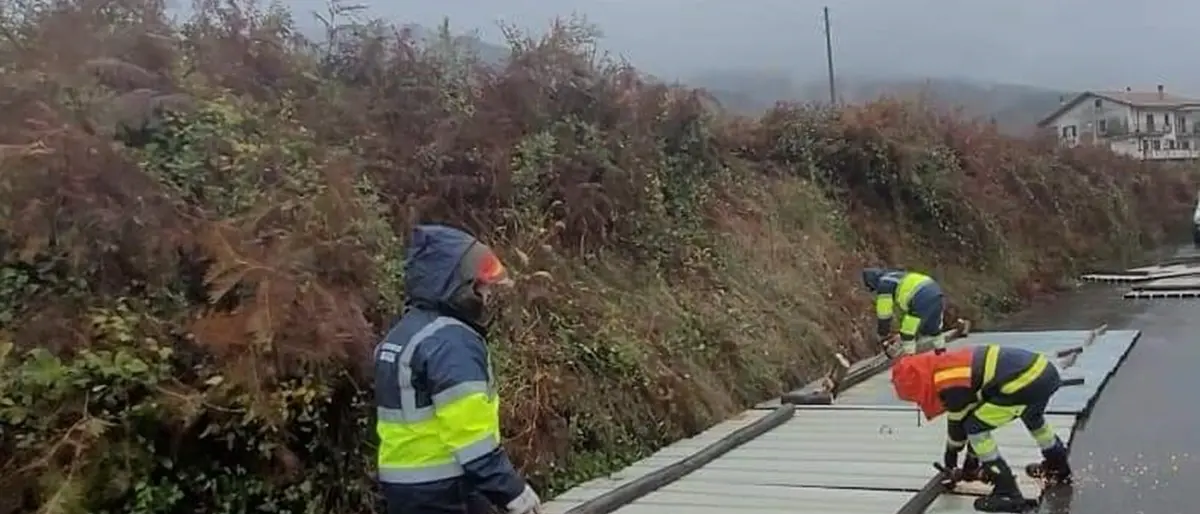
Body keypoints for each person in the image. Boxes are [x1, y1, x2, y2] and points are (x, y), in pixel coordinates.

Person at [373, 224, 543, 514]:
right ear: (459, 286)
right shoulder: (452, 343)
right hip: (445, 489)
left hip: (405, 489)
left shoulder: (404, 333)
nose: (487, 297)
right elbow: (471, 438)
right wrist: (513, 492)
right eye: (481, 288)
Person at [890, 344, 1073, 513]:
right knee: (1034, 420)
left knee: (976, 429)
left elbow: (960, 424)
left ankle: (1007, 491)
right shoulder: (946, 368)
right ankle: (1058, 466)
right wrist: (969, 461)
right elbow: (962, 416)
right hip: (1041, 372)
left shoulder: (948, 384)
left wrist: (951, 459)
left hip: (1022, 382)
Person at [861, 267, 946, 356]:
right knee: (934, 328)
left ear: (872, 283)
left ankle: (910, 362)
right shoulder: (897, 275)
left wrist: (883, 334)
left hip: (920, 297)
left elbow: (884, 314)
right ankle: (942, 354)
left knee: (907, 333)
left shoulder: (884, 284)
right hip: (935, 291)